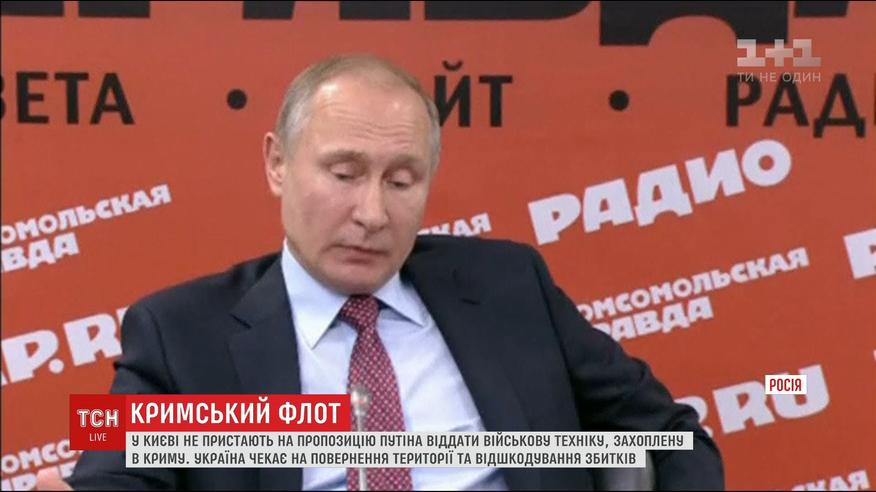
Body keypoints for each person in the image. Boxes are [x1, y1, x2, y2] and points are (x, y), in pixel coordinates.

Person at [55, 53, 723, 490]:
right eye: (344, 174)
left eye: (402, 181)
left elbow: (672, 438)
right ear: (277, 164)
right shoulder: (180, 334)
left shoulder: (509, 287)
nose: (372, 214)